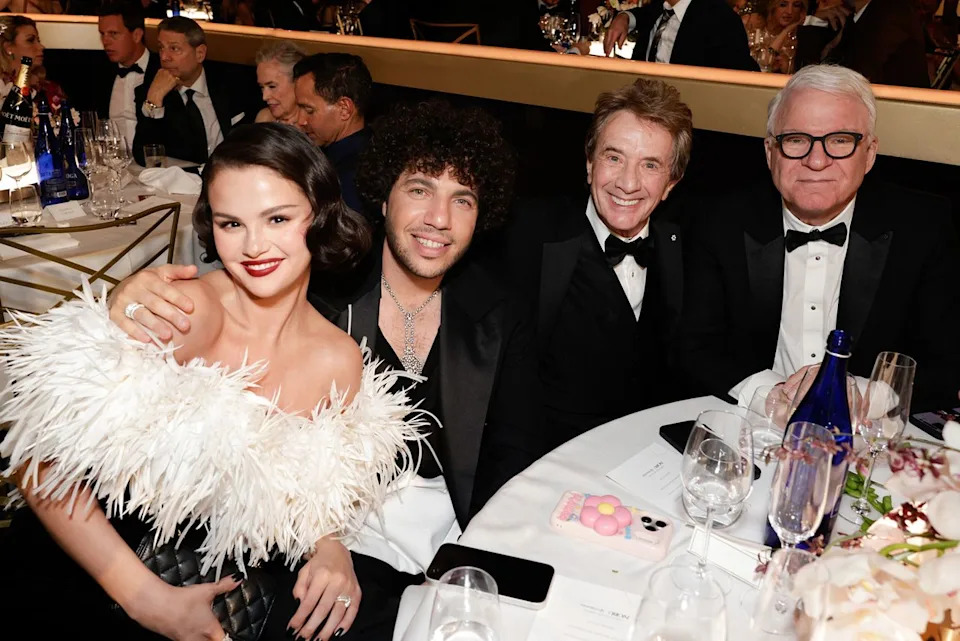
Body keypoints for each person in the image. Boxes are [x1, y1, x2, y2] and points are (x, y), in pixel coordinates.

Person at [106, 100, 544, 634]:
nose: (439, 219)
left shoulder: (499, 311)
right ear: (382, 197)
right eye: (420, 189)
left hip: (437, 539)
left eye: (463, 199)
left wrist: (477, 559)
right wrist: (125, 299)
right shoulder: (314, 282)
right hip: (294, 543)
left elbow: (511, 455)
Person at [0, 123, 430, 641]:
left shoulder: (338, 359)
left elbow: (311, 487)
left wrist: (329, 545)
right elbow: (34, 456)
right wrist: (143, 598)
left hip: (222, 575)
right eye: (231, 223)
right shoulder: (187, 315)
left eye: (277, 218)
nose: (254, 246)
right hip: (93, 569)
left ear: (319, 216)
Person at [678, 64, 960, 413]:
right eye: (796, 140)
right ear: (770, 152)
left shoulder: (923, 226)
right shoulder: (719, 222)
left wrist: (864, 397)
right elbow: (696, 346)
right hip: (751, 427)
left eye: (840, 141)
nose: (816, 160)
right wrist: (769, 395)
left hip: (869, 438)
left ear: (869, 153)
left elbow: (946, 363)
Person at [504, 78, 690, 449]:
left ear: (671, 183)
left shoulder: (685, 246)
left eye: (650, 165)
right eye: (614, 157)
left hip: (643, 451)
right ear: (589, 164)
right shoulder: (527, 234)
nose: (627, 182)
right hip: (547, 452)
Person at [132, 16, 250, 165]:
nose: (164, 57)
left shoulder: (231, 84)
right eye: (161, 47)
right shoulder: (150, 91)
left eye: (174, 48)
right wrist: (154, 103)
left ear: (200, 53)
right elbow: (144, 157)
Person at [293, 53, 371, 218]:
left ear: (344, 109)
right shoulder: (367, 150)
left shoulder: (349, 179)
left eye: (309, 110)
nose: (300, 120)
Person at [794, 0, 928, 88]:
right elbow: (807, 76)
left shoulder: (889, 14)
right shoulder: (855, 18)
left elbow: (856, 81)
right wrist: (815, 21)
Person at [602, 0, 758, 71]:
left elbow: (740, 76)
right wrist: (624, 17)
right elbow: (642, 14)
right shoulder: (660, 8)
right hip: (644, 107)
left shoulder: (720, 18)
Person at [95, 1, 160, 151]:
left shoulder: (161, 71)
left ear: (137, 35)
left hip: (155, 167)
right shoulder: (100, 73)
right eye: (102, 34)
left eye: (113, 34)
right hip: (114, 165)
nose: (105, 41)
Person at [0, 15, 66, 111]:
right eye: (30, 40)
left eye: (38, 41)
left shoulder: (49, 89)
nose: (41, 46)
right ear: (8, 47)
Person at [254, 39, 304, 125]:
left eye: (272, 86)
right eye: (262, 87)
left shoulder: (316, 127)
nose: (264, 97)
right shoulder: (265, 120)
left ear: (297, 82)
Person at [750, 0, 806, 73]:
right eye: (783, 5)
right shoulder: (756, 31)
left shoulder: (801, 39)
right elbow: (763, 65)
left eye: (796, 5)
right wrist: (785, 32)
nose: (789, 11)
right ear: (772, 7)